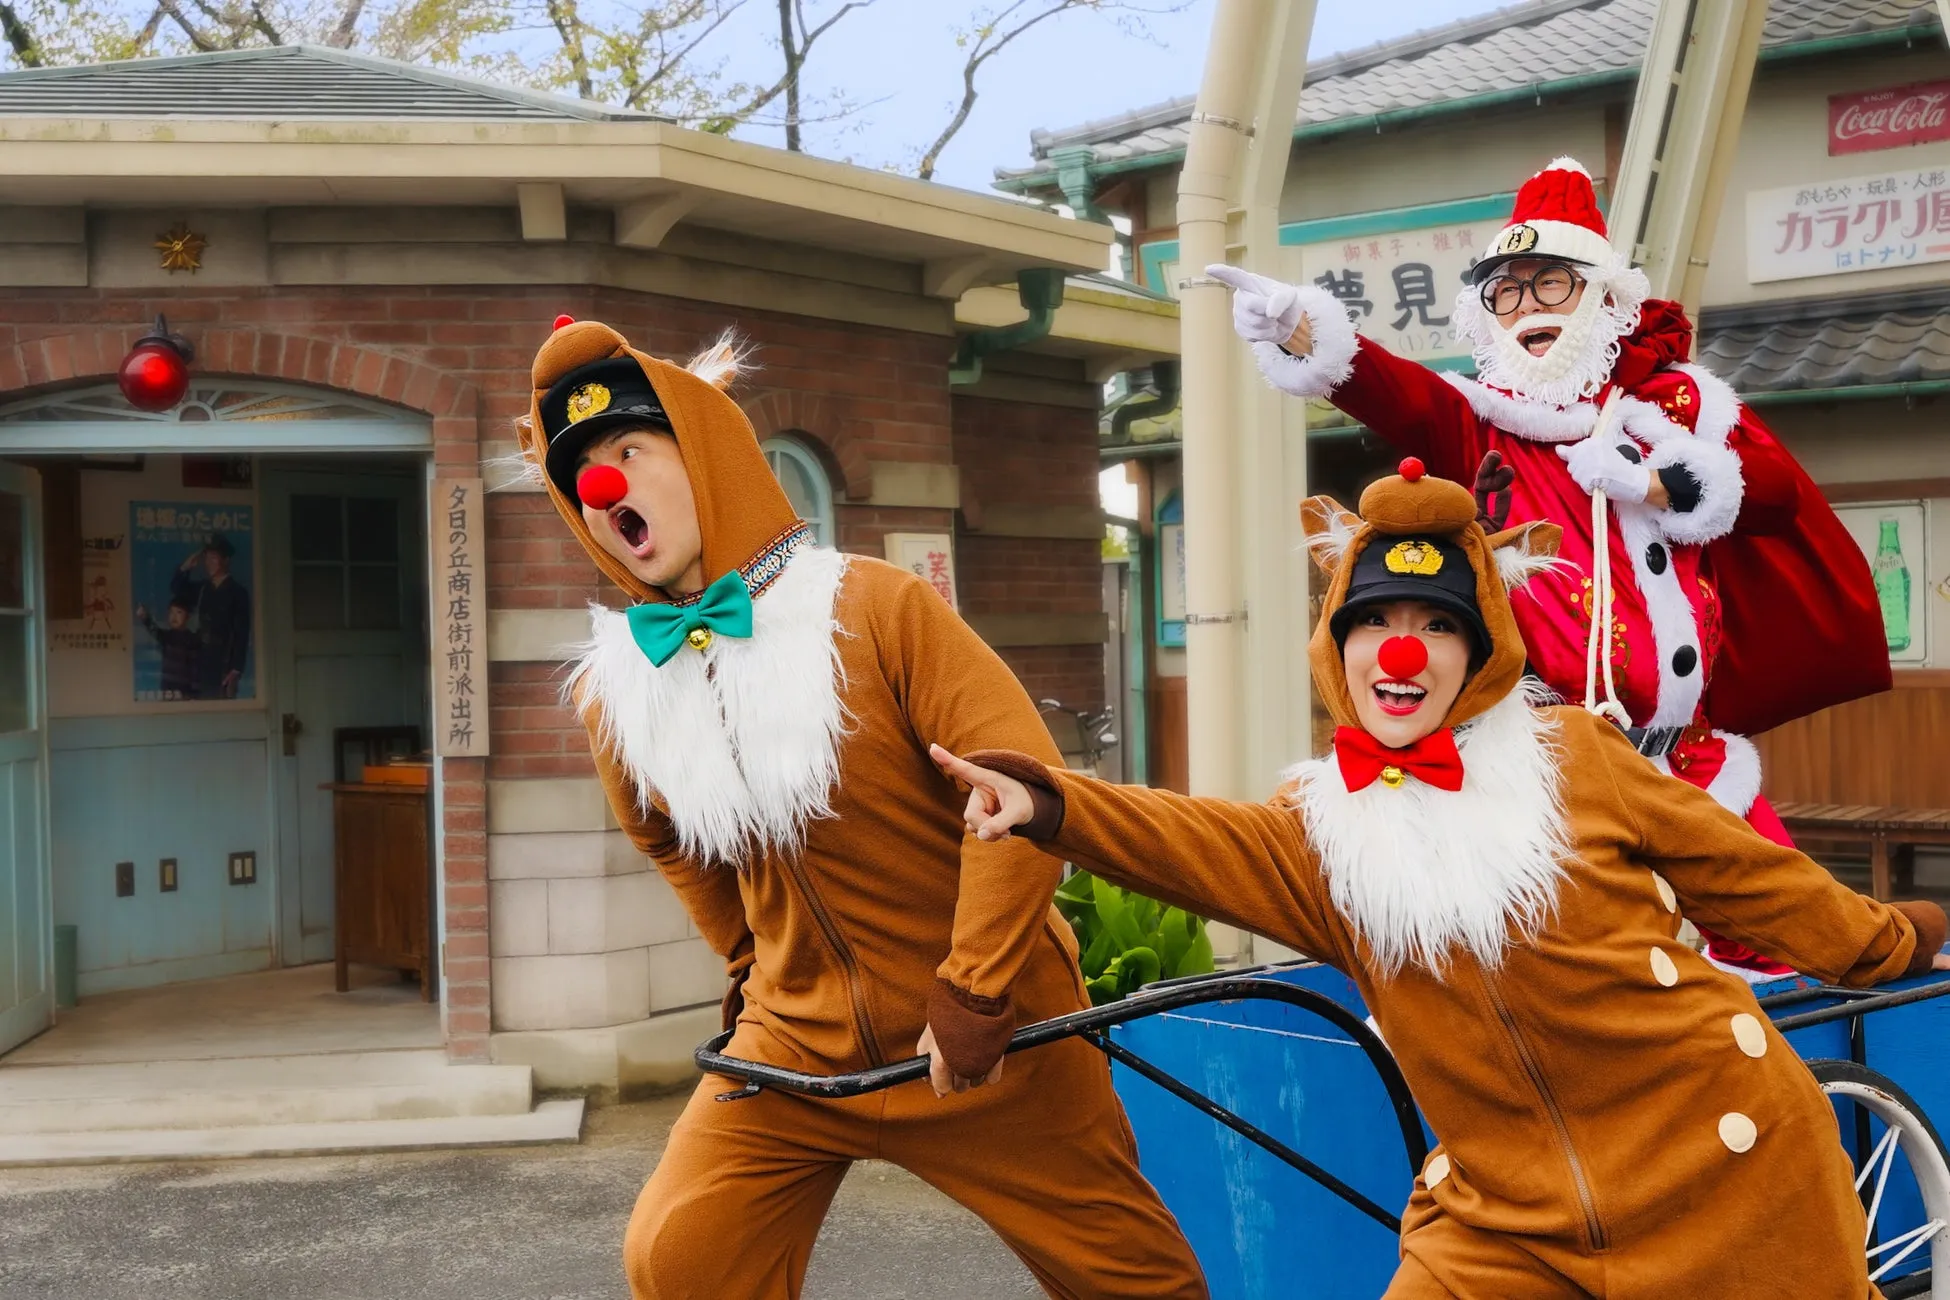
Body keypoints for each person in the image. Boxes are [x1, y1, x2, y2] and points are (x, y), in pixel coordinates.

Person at [932, 459, 1949, 1299]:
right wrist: (1049, 802)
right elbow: (1187, 835)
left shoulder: (1574, 757)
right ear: (1338, 645)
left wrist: (1889, 943)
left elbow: (1748, 876)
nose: (1403, 651)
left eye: (1437, 623)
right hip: (1508, 1216)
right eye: (1375, 621)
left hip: (1717, 1162)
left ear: (1481, 650)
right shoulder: (1321, 836)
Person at [514, 317, 1205, 1300]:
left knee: (1133, 1281)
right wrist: (748, 960)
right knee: (682, 1254)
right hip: (795, 1041)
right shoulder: (620, 690)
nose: (601, 485)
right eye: (581, 471)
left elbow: (1019, 789)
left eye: (630, 450)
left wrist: (973, 993)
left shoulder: (876, 608)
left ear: (704, 452)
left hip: (994, 1031)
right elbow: (666, 838)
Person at [1207, 157, 1889, 979]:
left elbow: (1774, 492)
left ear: (1602, 297)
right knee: (1564, 974)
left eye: (1550, 285)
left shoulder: (1676, 409)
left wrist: (1653, 480)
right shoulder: (1480, 424)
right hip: (1548, 773)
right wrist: (1300, 331)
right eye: (1506, 292)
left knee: (1800, 944)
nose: (1527, 306)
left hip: (1688, 761)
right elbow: (1391, 389)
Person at [171, 532, 250, 700]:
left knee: (221, 706)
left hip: (223, 662)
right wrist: (185, 568)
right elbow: (177, 589)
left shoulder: (238, 593)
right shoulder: (203, 589)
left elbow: (241, 633)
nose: (208, 563)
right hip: (200, 659)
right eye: (206, 558)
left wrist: (236, 668)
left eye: (213, 558)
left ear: (226, 560)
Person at [135, 597, 199, 699]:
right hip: (167, 686)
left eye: (179, 612)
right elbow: (154, 630)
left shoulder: (192, 640)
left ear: (188, 617)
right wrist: (145, 618)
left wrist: (194, 693)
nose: (174, 616)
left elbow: (194, 668)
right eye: (171, 612)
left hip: (184, 689)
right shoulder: (167, 636)